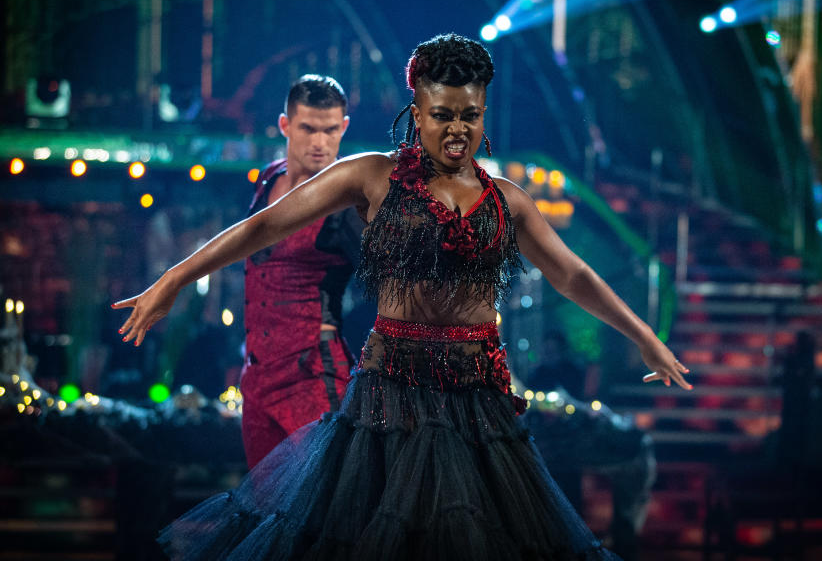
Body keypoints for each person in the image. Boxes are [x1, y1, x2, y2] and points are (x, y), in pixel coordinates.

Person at [113, 34, 691, 560]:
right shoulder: (371, 176)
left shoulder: (507, 200)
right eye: (442, 115)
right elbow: (262, 227)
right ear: (416, 112)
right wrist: (172, 281)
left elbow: (574, 275)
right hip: (389, 394)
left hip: (477, 399)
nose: (457, 129)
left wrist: (645, 338)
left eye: (470, 114)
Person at [240, 75, 364, 469]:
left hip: (313, 379)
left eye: (330, 130)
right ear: (285, 126)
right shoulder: (269, 177)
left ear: (344, 127)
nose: (320, 143)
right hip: (257, 382)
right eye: (309, 129)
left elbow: (391, 283)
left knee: (316, 513)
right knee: (263, 512)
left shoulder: (347, 202)